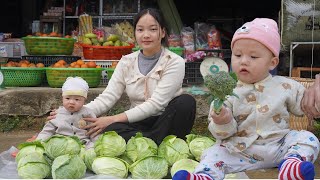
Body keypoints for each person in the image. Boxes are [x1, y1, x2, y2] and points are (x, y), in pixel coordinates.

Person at [173, 18, 320, 180]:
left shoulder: (286, 86)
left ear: (272, 62)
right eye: (237, 55)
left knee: (307, 138)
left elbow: (307, 106)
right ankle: (204, 176)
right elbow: (220, 134)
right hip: (240, 151)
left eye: (253, 56)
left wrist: (316, 101)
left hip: (279, 147)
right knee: (214, 152)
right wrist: (223, 121)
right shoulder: (226, 92)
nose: (243, 61)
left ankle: (291, 167)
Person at [48, 8, 196, 145]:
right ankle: (153, 142)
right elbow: (108, 97)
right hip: (137, 121)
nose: (146, 35)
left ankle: (146, 141)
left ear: (163, 32)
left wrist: (111, 119)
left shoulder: (175, 62)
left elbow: (156, 104)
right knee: (107, 129)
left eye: (153, 29)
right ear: (135, 33)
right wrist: (72, 112)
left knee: (186, 102)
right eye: (140, 29)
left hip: (165, 120)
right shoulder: (126, 62)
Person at [37, 77, 97, 149]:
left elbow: (94, 131)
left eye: (77, 99)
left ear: (84, 100)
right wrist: (39, 142)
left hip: (82, 143)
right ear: (62, 98)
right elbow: (47, 130)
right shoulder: (57, 113)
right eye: (67, 98)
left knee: (92, 149)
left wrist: (97, 143)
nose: (71, 102)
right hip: (61, 143)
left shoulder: (88, 113)